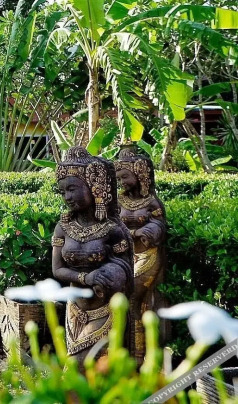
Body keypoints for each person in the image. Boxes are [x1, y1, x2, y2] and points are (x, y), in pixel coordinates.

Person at [53, 147, 134, 361]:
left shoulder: (112, 230)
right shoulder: (63, 227)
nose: (67, 197)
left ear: (94, 188)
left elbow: (126, 271)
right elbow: (57, 269)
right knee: (80, 368)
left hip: (105, 309)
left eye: (72, 189)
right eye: (62, 191)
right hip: (75, 310)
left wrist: (112, 273)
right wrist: (85, 277)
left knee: (79, 365)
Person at [115, 148, 167, 364]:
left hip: (147, 255)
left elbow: (159, 226)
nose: (121, 183)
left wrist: (144, 232)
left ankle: (139, 355)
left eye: (124, 177)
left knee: (134, 296)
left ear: (140, 175)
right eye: (118, 178)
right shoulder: (119, 201)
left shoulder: (151, 203)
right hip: (125, 256)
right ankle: (123, 350)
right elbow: (113, 225)